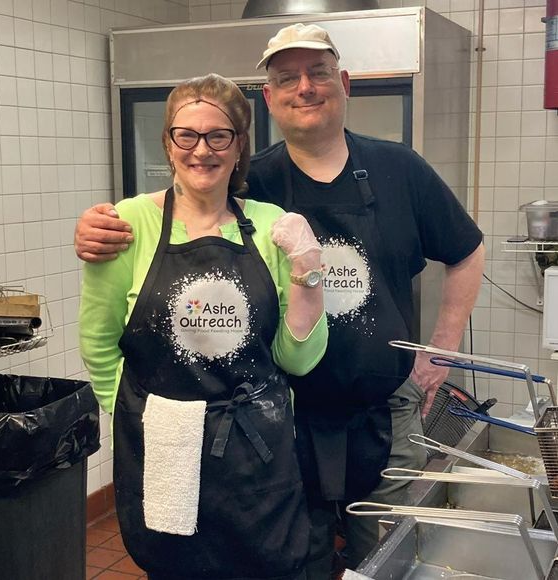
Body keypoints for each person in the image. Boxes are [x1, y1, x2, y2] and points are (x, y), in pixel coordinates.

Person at [75, 24, 485, 579]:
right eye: (287, 78)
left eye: (318, 73)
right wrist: (100, 225)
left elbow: (466, 250)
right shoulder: (255, 185)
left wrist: (441, 350)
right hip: (289, 422)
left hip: (384, 409)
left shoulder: (399, 169)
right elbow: (191, 203)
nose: (305, 88)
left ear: (343, 84)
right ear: (268, 98)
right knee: (301, 559)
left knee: (386, 556)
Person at [79, 73, 328, 580]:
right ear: (168, 144)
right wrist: (139, 419)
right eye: (185, 135)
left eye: (219, 135)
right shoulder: (128, 224)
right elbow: (99, 342)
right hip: (167, 445)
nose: (201, 150)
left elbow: (298, 358)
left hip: (258, 447)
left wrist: (307, 268)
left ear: (239, 147)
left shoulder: (270, 224)